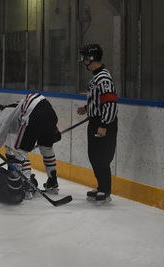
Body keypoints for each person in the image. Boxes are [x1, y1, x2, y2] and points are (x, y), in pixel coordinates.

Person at [0, 94, 61, 195]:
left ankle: (27, 185)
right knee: (46, 149)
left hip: (34, 113)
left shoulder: (3, 113)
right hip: (50, 114)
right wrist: (54, 130)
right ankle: (52, 182)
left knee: (20, 151)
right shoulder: (16, 109)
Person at [77, 44, 118, 205]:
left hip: (103, 123)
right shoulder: (96, 77)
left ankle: (106, 191)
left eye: (85, 57)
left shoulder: (103, 78)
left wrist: (104, 124)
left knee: (101, 158)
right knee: (94, 156)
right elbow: (99, 101)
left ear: (92, 58)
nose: (84, 60)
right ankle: (101, 186)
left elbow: (111, 104)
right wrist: (87, 108)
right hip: (96, 121)